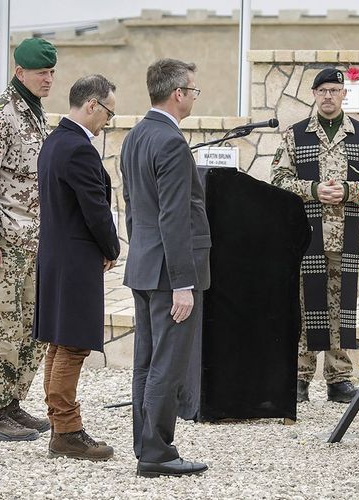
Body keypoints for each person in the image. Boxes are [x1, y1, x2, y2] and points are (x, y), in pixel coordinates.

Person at [120, 58, 210, 477]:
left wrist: (140, 255)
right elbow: (174, 216)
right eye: (193, 90)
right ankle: (156, 451)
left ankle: (145, 444)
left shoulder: (136, 135)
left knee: (146, 361)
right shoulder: (170, 142)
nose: (194, 96)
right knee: (167, 362)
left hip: (144, 265)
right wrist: (182, 284)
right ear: (177, 94)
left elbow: (134, 211)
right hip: (168, 274)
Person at [271, 67, 359, 404]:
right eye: (323, 91)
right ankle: (300, 377)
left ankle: (339, 379)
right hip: (305, 239)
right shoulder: (295, 135)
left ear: (344, 94)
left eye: (335, 90)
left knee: (342, 307)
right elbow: (277, 181)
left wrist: (348, 190)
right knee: (304, 308)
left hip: (346, 240)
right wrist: (313, 189)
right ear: (314, 94)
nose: (329, 96)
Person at [0, 37, 56, 441]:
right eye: (41, 72)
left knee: (31, 328)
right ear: (20, 71)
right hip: (6, 242)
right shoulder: (0, 115)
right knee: (4, 326)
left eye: (52, 72)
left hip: (35, 241)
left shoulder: (34, 113)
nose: (48, 79)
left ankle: (12, 403)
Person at [33, 74, 120, 460]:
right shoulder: (78, 148)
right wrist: (111, 247)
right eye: (108, 112)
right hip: (75, 260)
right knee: (73, 345)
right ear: (92, 105)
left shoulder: (54, 142)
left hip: (56, 256)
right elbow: (95, 209)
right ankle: (67, 431)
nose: (108, 121)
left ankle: (59, 424)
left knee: (60, 342)